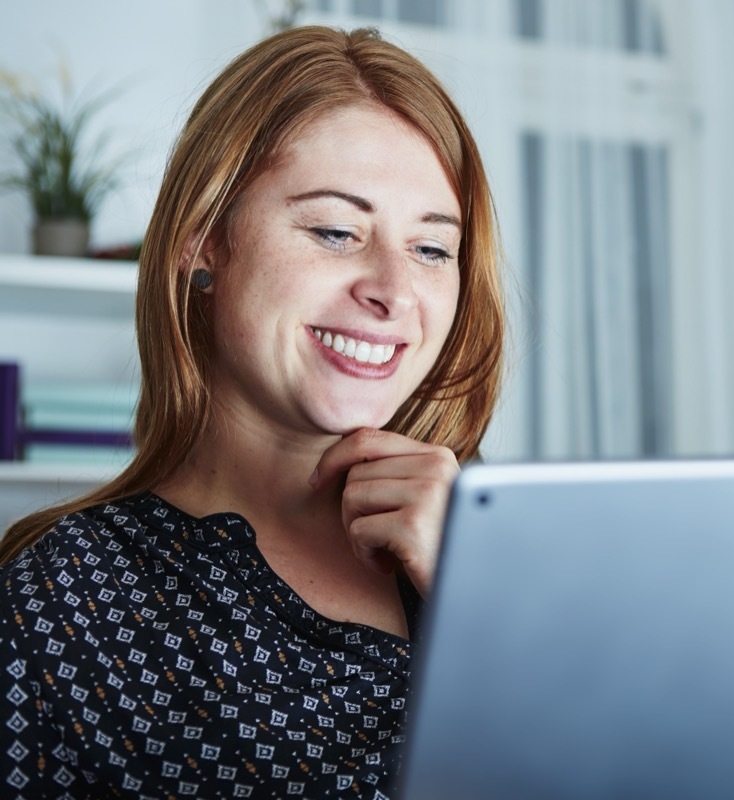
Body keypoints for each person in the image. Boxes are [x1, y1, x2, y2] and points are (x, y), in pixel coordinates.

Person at [0, 25, 503, 799]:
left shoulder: (501, 542)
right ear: (204, 241)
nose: (393, 291)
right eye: (336, 231)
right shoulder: (62, 600)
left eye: (432, 251)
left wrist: (487, 605)